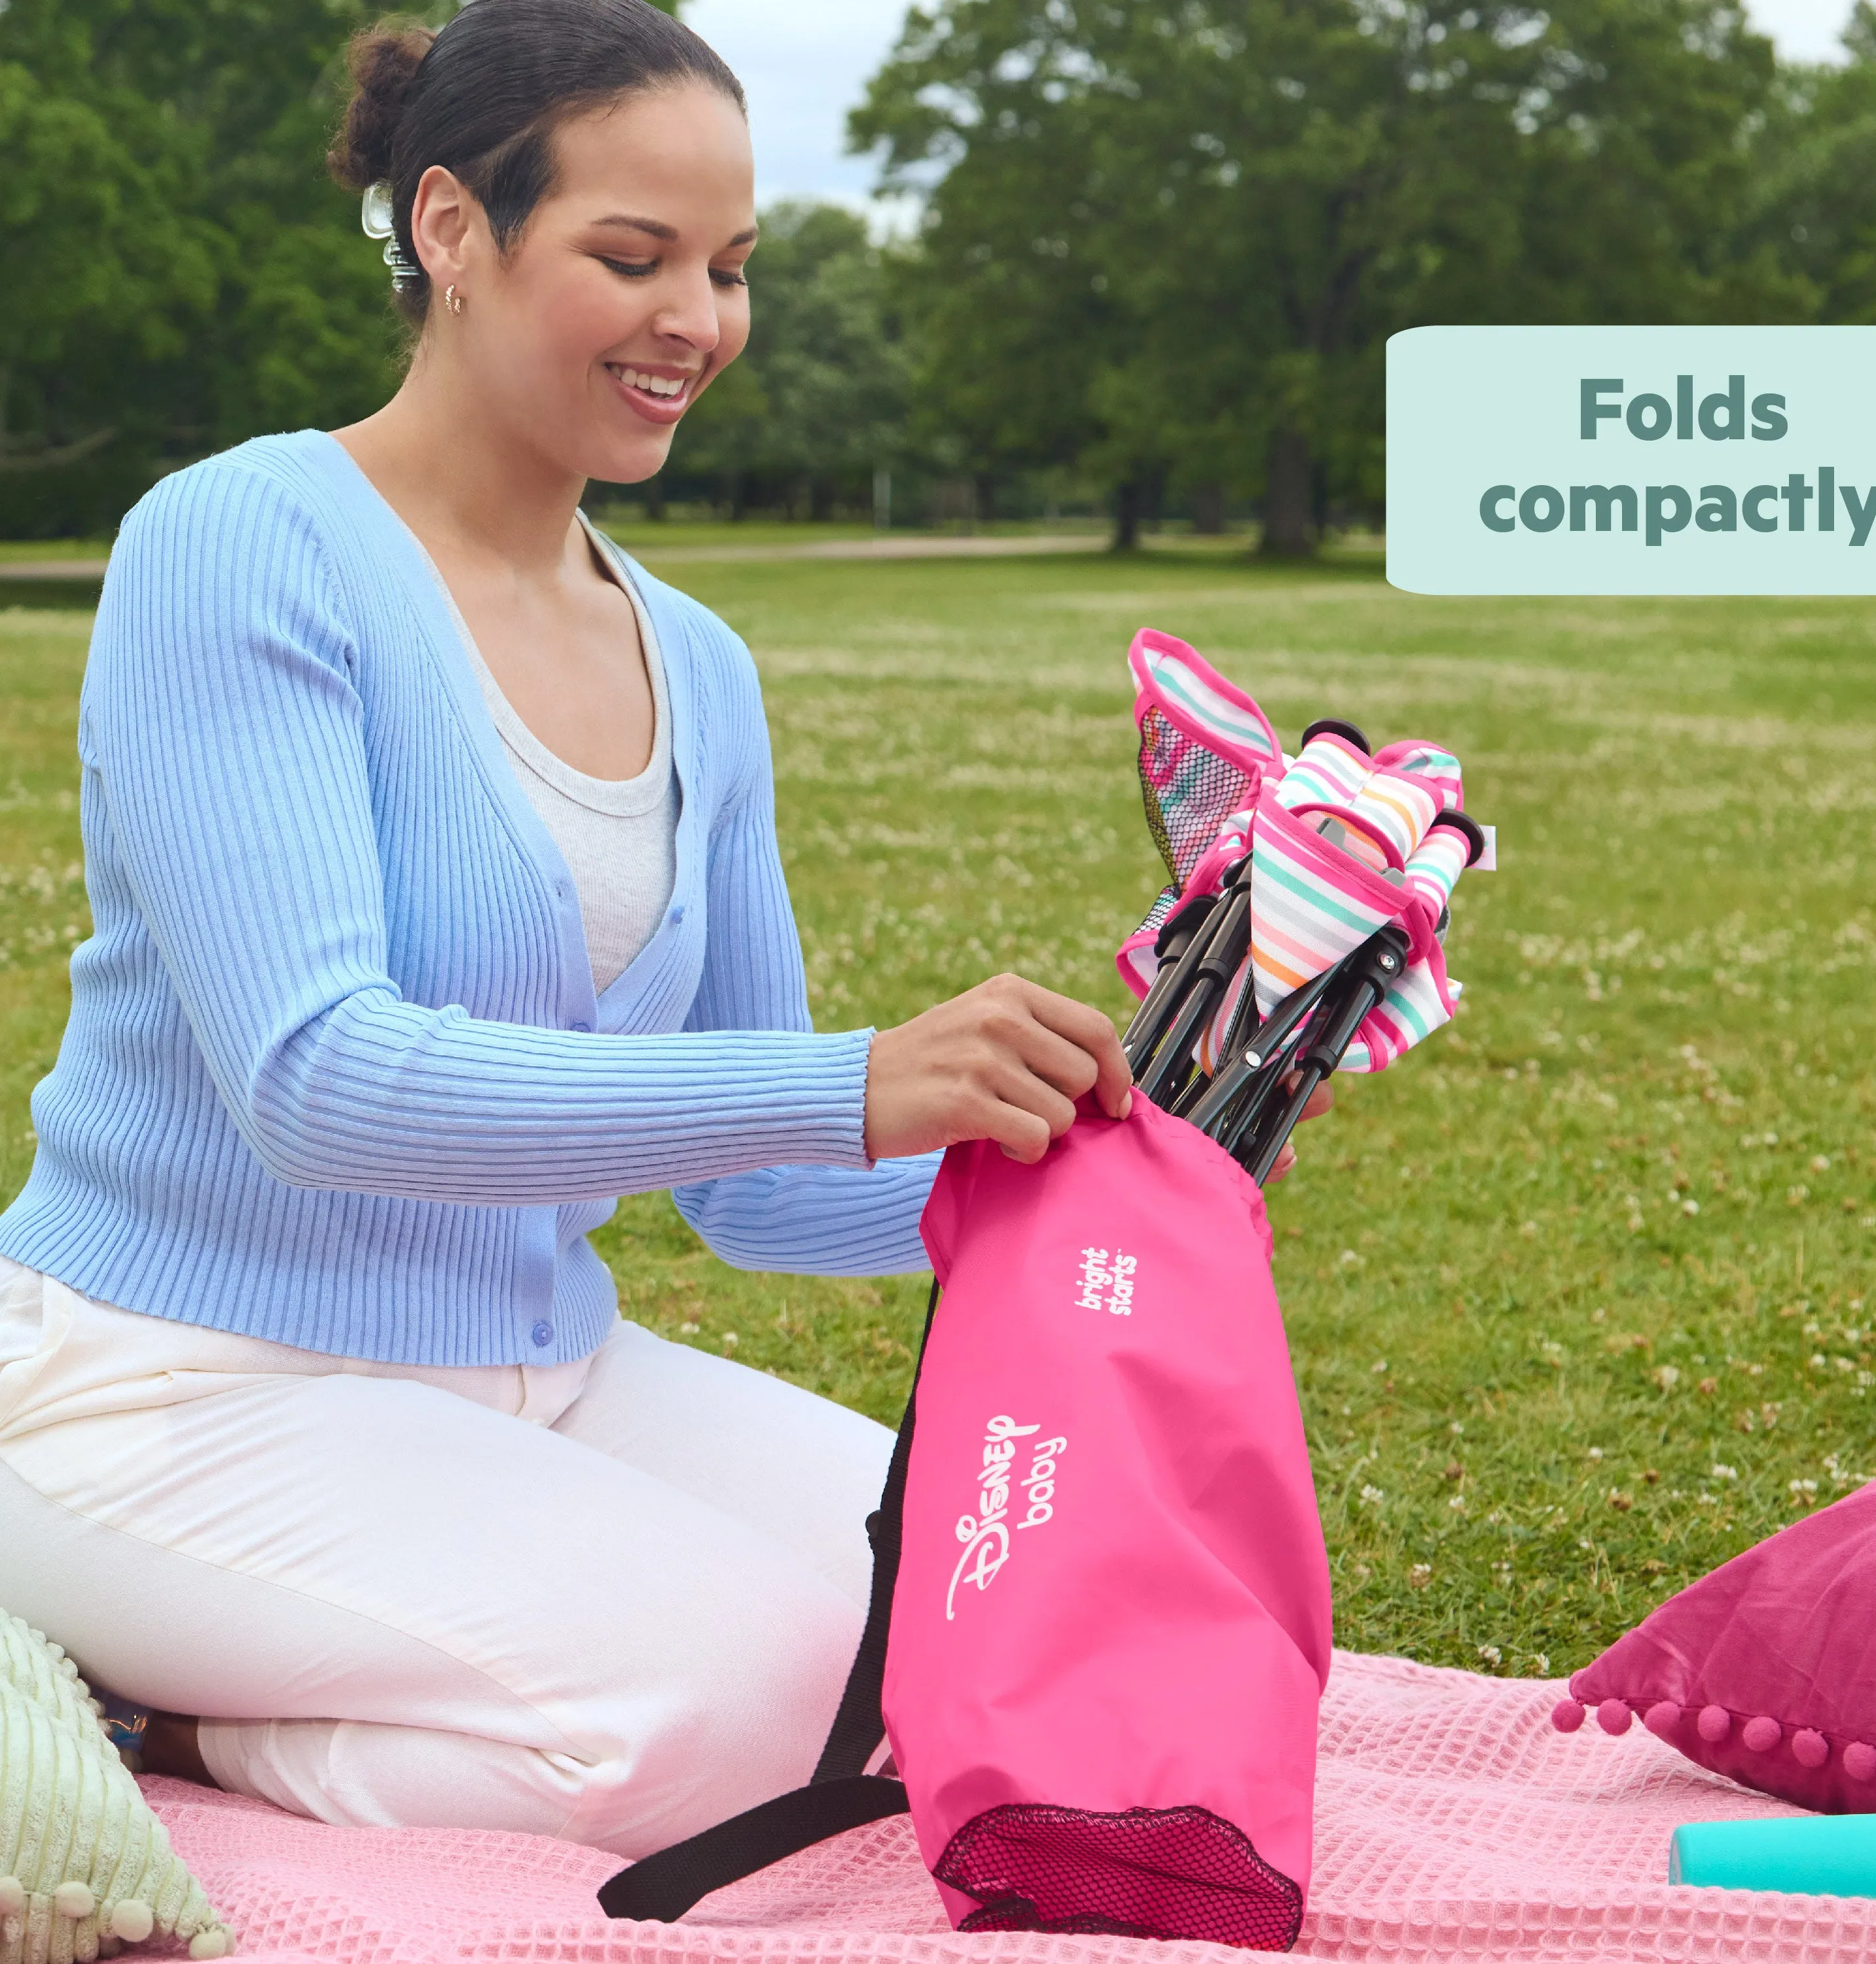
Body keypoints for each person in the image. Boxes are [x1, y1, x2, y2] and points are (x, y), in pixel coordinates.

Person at [0, 0, 1318, 1860]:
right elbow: (316, 1085)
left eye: (729, 266)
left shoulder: (693, 658)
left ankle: (355, 1672)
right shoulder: (238, 548)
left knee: (986, 1597)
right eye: (632, 256)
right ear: (451, 228)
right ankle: (184, 1729)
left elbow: (758, 1191)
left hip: (541, 1366)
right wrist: (855, 1080)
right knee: (736, 1713)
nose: (696, 319)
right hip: (169, 1386)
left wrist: (1127, 1143)